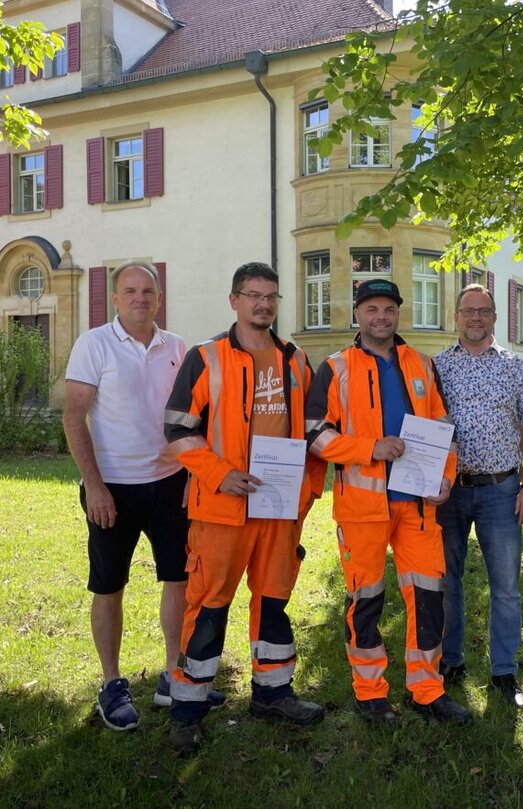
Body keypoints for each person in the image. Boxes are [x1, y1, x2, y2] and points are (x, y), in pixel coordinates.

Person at [163, 262, 325, 754]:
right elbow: (177, 430)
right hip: (222, 508)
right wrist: (220, 474)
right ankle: (187, 709)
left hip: (279, 509)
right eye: (253, 295)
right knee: (209, 606)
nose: (263, 304)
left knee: (274, 600)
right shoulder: (205, 357)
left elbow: (314, 432)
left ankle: (273, 693)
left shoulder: (296, 360)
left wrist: (308, 493)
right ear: (234, 300)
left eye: (271, 296)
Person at [306, 278, 471, 727]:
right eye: (372, 309)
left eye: (389, 309)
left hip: (419, 507)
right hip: (363, 510)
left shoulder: (420, 363)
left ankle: (427, 690)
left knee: (429, 599)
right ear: (357, 314)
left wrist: (446, 477)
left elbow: (442, 425)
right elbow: (315, 433)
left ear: (399, 314)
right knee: (366, 602)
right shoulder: (336, 367)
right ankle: (371, 694)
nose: (381, 317)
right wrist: (368, 449)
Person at [64, 261, 207, 731]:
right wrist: (96, 485)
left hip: (170, 484)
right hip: (114, 488)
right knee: (109, 586)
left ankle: (173, 675)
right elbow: (74, 417)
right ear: (115, 298)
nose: (140, 297)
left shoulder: (178, 347)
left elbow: (190, 417)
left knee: (178, 580)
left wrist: (192, 473)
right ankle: (111, 682)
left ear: (159, 297)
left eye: (148, 290)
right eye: (130, 290)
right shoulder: (94, 344)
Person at [433, 284, 523, 708]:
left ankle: (504, 671)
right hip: (450, 492)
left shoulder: (516, 368)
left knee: (506, 586)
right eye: (468, 311)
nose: (476, 318)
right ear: (456, 317)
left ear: (495, 318)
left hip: (501, 489)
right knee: (446, 582)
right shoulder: (437, 366)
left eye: (484, 311)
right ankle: (451, 660)